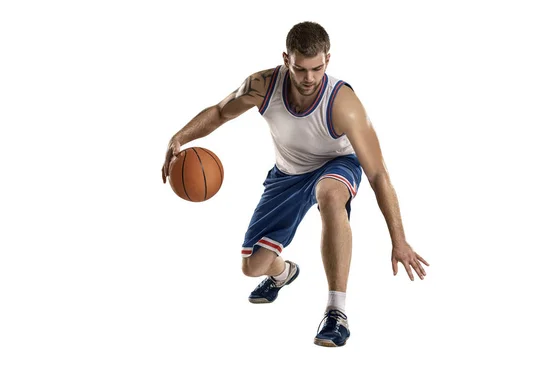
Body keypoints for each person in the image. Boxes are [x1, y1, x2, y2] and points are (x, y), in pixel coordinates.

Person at [161, 21, 429, 347]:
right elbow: (219, 112)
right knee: (252, 266)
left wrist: (398, 240)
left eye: (316, 68)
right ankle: (283, 273)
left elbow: (378, 173)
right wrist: (179, 137)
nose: (309, 78)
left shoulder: (344, 104)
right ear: (286, 59)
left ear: (327, 60)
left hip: (336, 164)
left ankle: (336, 312)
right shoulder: (261, 85)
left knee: (329, 196)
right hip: (287, 174)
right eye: (301, 69)